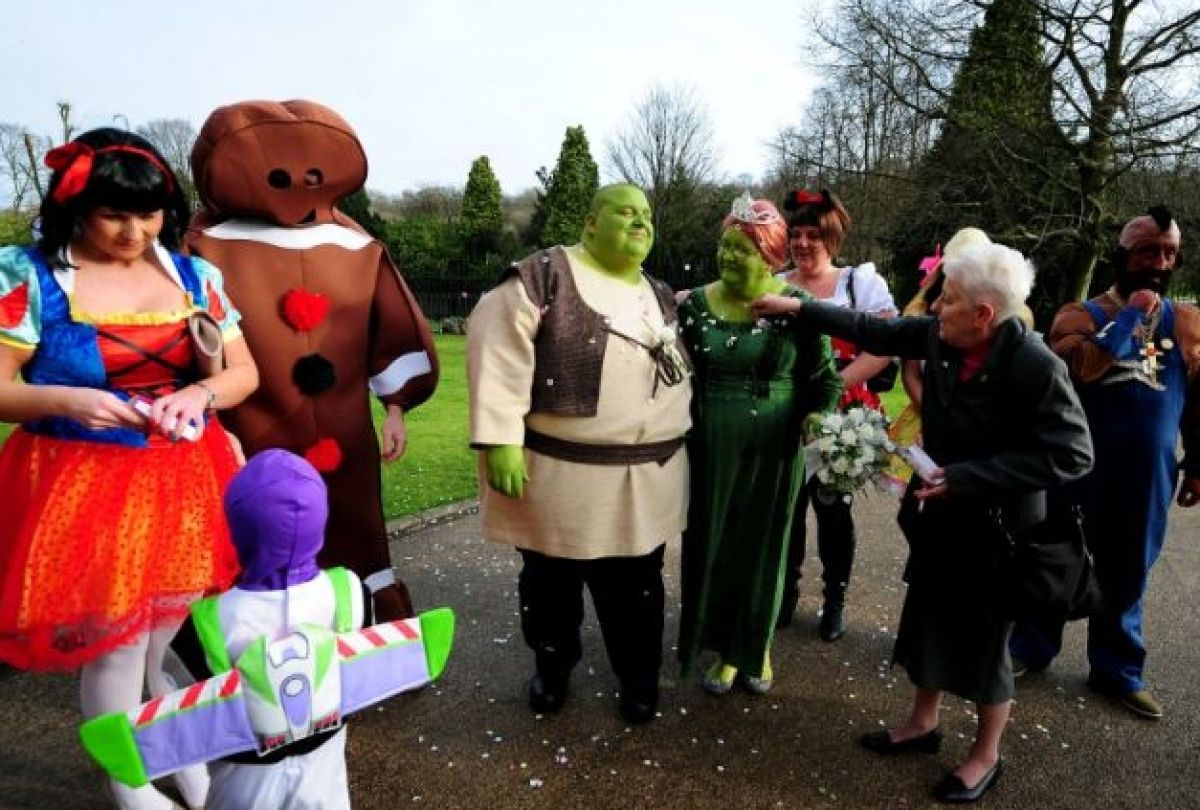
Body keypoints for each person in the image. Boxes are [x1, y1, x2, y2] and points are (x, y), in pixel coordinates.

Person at [752, 242, 1092, 803]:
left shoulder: (1035, 365)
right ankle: (922, 723)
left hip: (999, 531)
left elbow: (1074, 454)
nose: (935, 308)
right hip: (940, 515)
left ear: (984, 314)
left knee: (987, 642)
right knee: (927, 616)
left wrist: (971, 476)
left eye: (948, 300)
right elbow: (876, 330)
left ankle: (985, 755)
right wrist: (797, 307)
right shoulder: (941, 334)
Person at [0, 128, 258, 810]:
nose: (134, 231)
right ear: (75, 207)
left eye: (148, 214)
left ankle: (177, 752)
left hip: (185, 478)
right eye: (114, 214)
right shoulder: (29, 276)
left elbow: (243, 374)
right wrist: (68, 399)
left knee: (156, 642)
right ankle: (130, 783)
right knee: (116, 645)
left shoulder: (193, 276)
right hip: (83, 481)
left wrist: (200, 393)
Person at [188, 100, 439, 623]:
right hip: (250, 423)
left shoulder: (357, 246)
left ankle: (368, 620)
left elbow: (393, 326)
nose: (297, 184)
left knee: (354, 521)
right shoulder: (206, 250)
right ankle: (258, 629)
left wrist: (396, 406)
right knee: (258, 521)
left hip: (346, 430)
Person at [467, 183, 691, 724]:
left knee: (637, 588)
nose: (639, 222)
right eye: (625, 212)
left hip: (648, 476)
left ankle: (638, 679)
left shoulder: (659, 292)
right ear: (590, 222)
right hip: (559, 474)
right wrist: (500, 439)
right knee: (550, 583)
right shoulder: (542, 277)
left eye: (645, 215)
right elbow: (496, 350)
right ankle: (553, 667)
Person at [1009, 206, 1200, 720]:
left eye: (1170, 253)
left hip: (1147, 476)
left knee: (1131, 567)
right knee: (1056, 555)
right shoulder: (1080, 314)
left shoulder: (1187, 322)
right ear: (1122, 255)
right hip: (1076, 470)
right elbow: (1080, 370)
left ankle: (1118, 669)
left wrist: (1198, 462)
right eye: (1148, 251)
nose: (1160, 263)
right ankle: (1030, 647)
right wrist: (1131, 316)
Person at [677, 194, 841, 694]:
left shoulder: (798, 308)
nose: (727, 256)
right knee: (712, 543)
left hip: (774, 449)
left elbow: (826, 380)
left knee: (764, 546)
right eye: (724, 246)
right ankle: (720, 648)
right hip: (710, 448)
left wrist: (818, 415)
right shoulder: (694, 305)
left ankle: (755, 647)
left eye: (741, 249)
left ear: (770, 256)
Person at [170, 449, 371, 810]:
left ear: (237, 528)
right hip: (324, 774)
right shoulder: (351, 592)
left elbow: (187, 703)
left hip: (242, 782)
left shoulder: (206, 622)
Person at [775, 189, 897, 640]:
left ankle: (835, 600)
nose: (803, 243)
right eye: (796, 234)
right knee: (786, 512)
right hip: (783, 415)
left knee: (833, 514)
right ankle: (784, 592)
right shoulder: (774, 282)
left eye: (814, 235)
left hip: (840, 415)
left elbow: (883, 347)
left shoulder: (858, 284)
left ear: (833, 239)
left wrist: (830, 391)